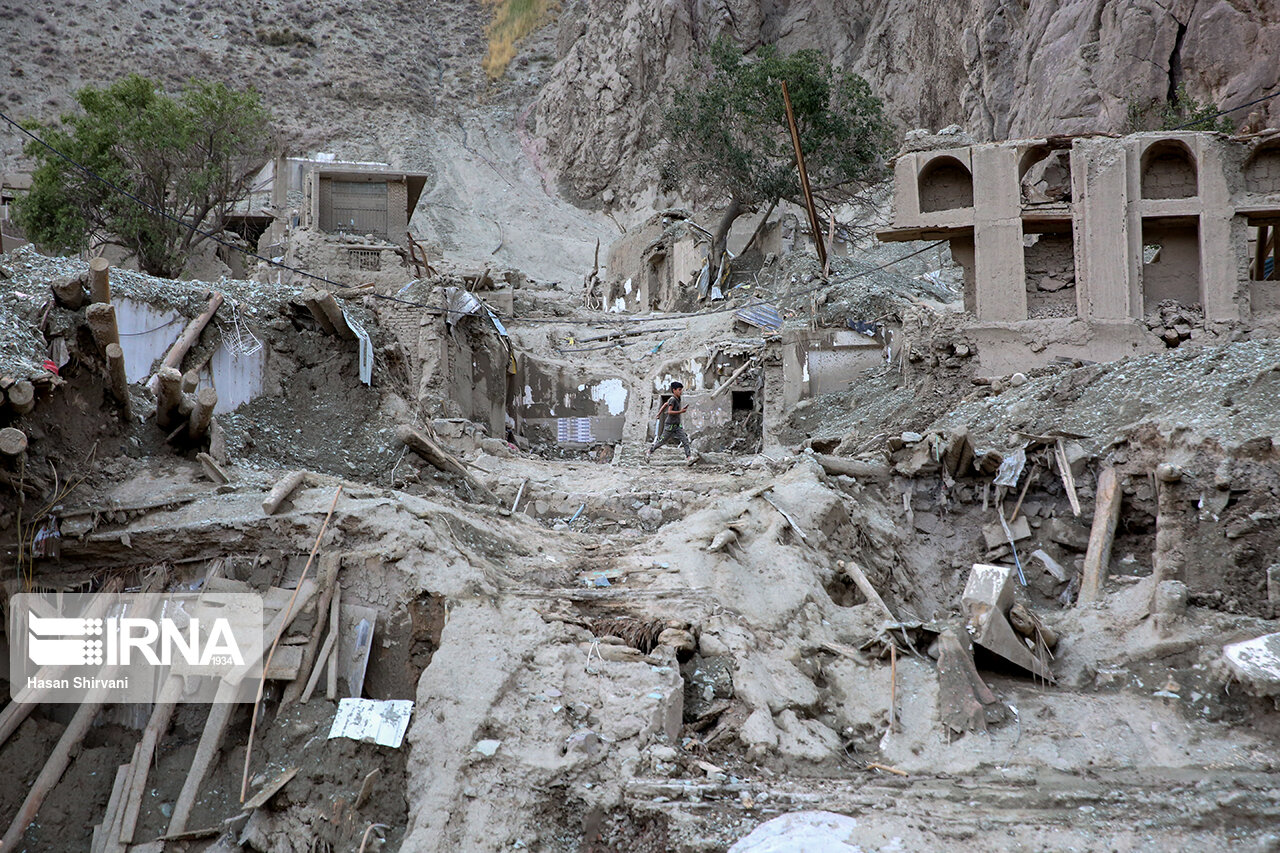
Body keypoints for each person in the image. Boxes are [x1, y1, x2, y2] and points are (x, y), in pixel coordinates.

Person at [646, 381, 694, 464]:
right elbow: (669, 411)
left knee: (685, 440)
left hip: (677, 425)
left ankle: (689, 458)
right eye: (679, 390)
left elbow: (665, 404)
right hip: (670, 425)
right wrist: (681, 411)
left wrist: (659, 413)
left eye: (681, 390)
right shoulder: (673, 399)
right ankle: (649, 451)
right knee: (661, 441)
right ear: (674, 390)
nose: (681, 391)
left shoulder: (676, 399)